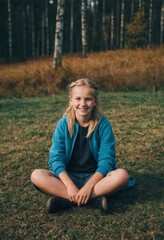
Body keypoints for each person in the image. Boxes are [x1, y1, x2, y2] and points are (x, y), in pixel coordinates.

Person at [31, 78, 134, 214]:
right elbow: (56, 158)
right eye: (78, 99)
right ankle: (92, 200)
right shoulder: (63, 124)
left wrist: (89, 186)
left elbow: (107, 160)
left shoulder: (103, 125)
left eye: (88, 99)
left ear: (95, 101)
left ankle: (68, 200)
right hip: (69, 176)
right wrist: (69, 185)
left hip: (96, 178)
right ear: (71, 101)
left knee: (122, 175)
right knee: (37, 175)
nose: (82, 104)